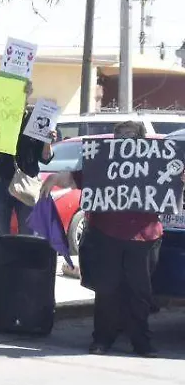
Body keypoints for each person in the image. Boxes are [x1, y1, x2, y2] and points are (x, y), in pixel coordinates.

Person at [41, 121, 173, 357]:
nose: (125, 138)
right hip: (106, 233)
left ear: (141, 138)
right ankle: (102, 339)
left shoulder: (156, 162)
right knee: (106, 290)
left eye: (130, 134)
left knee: (140, 292)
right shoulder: (103, 162)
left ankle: (141, 342)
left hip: (144, 236)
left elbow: (173, 182)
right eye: (120, 134)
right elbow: (75, 178)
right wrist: (53, 180)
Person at [0, 80, 54, 237]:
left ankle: (26, 261)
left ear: (29, 94)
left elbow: (45, 159)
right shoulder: (0, 118)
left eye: (24, 92)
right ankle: (0, 261)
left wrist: (48, 141)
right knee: (0, 232)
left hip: (28, 181)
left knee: (27, 232)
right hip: (2, 180)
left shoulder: (36, 119)